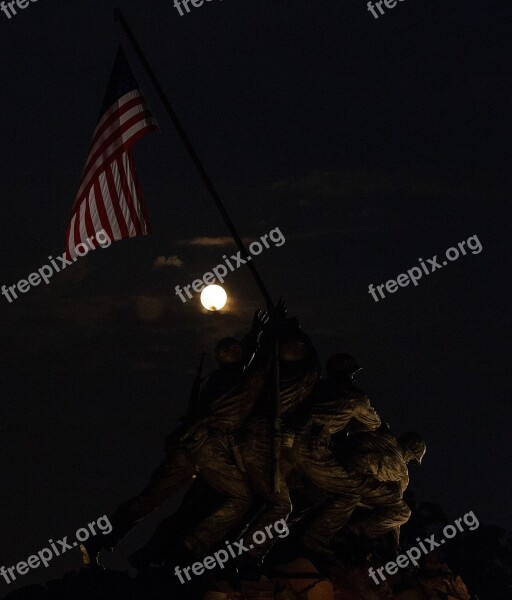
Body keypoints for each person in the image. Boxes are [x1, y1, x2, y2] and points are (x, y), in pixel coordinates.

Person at [80, 310, 269, 567]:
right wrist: (268, 333)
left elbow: (243, 358)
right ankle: (193, 549)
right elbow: (260, 364)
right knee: (243, 495)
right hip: (209, 449)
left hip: (185, 445)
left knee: (149, 499)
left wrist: (254, 333)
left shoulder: (219, 378)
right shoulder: (246, 381)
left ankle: (99, 541)